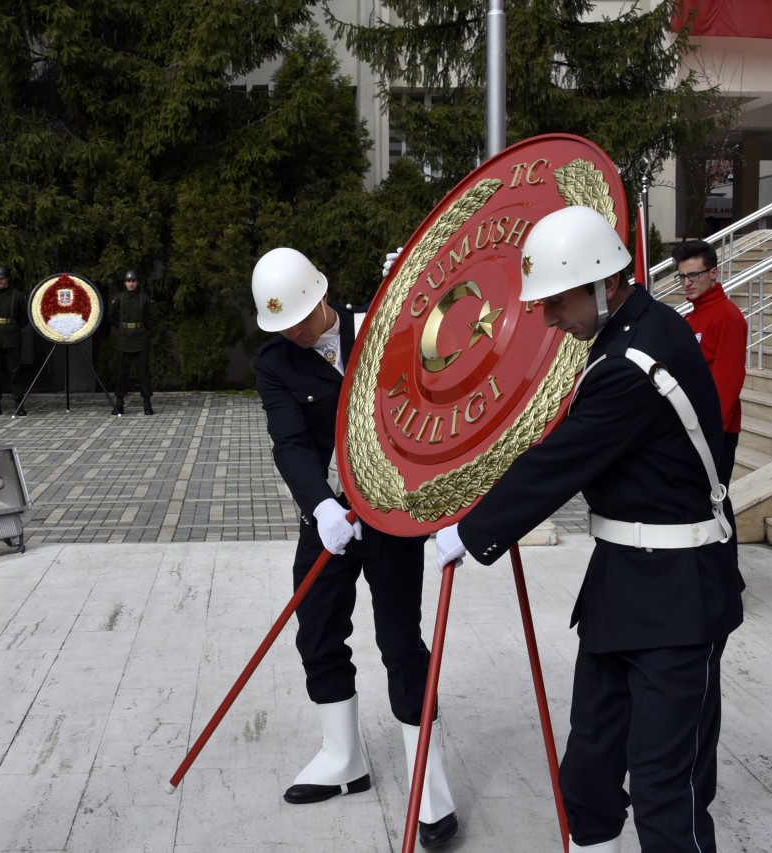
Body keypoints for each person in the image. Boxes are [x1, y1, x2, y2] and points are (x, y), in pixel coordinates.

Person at [434, 206, 745, 853]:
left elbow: (560, 461)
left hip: (679, 601)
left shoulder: (638, 357)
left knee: (667, 790)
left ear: (604, 283)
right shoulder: (626, 333)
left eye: (554, 301)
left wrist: (471, 531)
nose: (547, 318)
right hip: (621, 586)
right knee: (589, 773)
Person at [250, 247, 458, 848]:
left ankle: (431, 784)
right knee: (316, 630)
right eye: (280, 323)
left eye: (299, 316)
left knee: (401, 642)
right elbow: (288, 440)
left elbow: (445, 367)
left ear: (322, 296)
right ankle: (344, 757)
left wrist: (424, 282)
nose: (292, 330)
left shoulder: (381, 328)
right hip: (330, 517)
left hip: (393, 515)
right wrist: (320, 507)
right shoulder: (276, 362)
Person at [673, 239, 747, 549]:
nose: (687, 283)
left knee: (715, 501)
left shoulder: (727, 317)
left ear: (713, 274)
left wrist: (706, 438)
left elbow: (727, 387)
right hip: (693, 428)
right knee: (704, 502)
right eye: (682, 276)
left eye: (694, 275)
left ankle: (728, 579)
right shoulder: (692, 316)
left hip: (714, 431)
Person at [0, 264, 27, 417]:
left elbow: (24, 317)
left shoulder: (18, 295)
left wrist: (14, 327)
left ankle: (18, 403)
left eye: (2, 278)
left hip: (12, 336)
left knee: (15, 372)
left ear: (8, 279)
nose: (0, 281)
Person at [109, 269, 154, 415]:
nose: (131, 283)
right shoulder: (119, 299)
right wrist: (121, 327)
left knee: (143, 372)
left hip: (140, 339)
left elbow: (153, 317)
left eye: (133, 281)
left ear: (137, 282)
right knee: (122, 373)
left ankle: (147, 404)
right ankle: (119, 404)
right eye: (129, 281)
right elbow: (111, 317)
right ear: (125, 283)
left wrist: (144, 328)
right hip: (124, 339)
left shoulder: (144, 298)